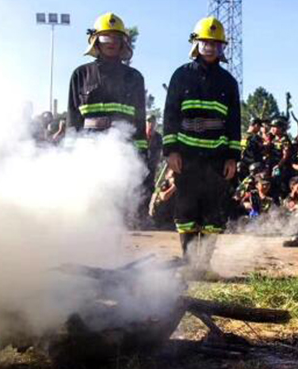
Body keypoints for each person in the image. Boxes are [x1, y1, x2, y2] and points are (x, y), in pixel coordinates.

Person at [163, 17, 241, 277]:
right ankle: (188, 264)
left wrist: (232, 157)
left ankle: (204, 266)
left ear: (222, 48)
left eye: (215, 44)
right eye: (204, 42)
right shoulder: (181, 75)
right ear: (195, 44)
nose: (209, 47)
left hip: (216, 159)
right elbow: (170, 115)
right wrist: (170, 151)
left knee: (213, 213)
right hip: (186, 158)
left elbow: (233, 123)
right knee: (185, 211)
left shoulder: (229, 82)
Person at [67, 13, 147, 155]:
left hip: (124, 152)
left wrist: (141, 154)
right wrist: (69, 151)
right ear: (95, 41)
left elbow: (139, 122)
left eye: (117, 38)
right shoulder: (80, 74)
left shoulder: (135, 77)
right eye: (106, 37)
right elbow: (73, 120)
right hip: (87, 152)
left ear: (123, 42)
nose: (112, 42)